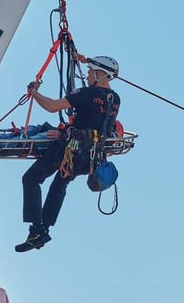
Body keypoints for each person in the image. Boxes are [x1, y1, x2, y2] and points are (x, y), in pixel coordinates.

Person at [15, 56, 120, 252]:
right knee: (60, 184)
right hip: (90, 158)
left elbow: (53, 106)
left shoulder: (87, 93)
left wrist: (34, 93)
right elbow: (97, 124)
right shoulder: (115, 100)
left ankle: (37, 229)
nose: (87, 75)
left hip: (69, 150)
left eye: (90, 71)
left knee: (31, 178)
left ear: (99, 73)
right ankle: (41, 230)